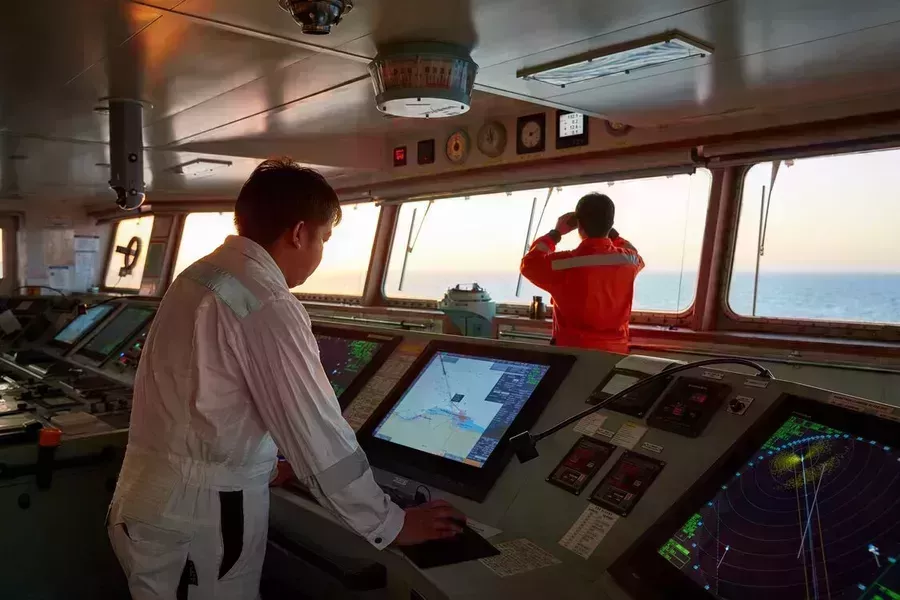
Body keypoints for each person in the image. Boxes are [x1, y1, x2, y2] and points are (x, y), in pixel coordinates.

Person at [107, 158, 464, 600]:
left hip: (150, 499)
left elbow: (201, 400)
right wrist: (390, 522)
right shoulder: (266, 301)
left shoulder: (199, 277)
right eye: (323, 239)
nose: (319, 254)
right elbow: (317, 434)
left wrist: (259, 465)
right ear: (299, 233)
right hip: (199, 523)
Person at [520, 193, 644, 354]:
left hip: (572, 353)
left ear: (579, 224)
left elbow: (529, 263)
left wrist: (555, 233)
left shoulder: (562, 264)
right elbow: (632, 250)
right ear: (611, 223)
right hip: (615, 353)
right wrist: (612, 233)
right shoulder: (629, 260)